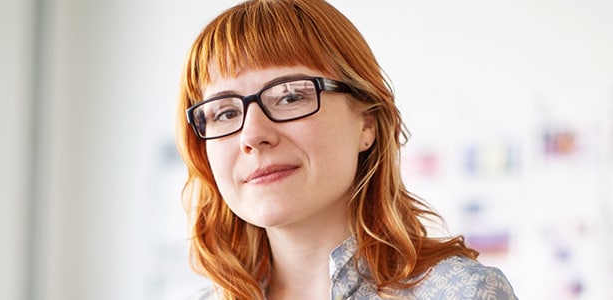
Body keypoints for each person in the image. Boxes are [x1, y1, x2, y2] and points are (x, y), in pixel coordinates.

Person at [175, 0, 518, 299]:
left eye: (290, 96)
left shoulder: (461, 294)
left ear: (366, 124)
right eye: (225, 112)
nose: (252, 135)